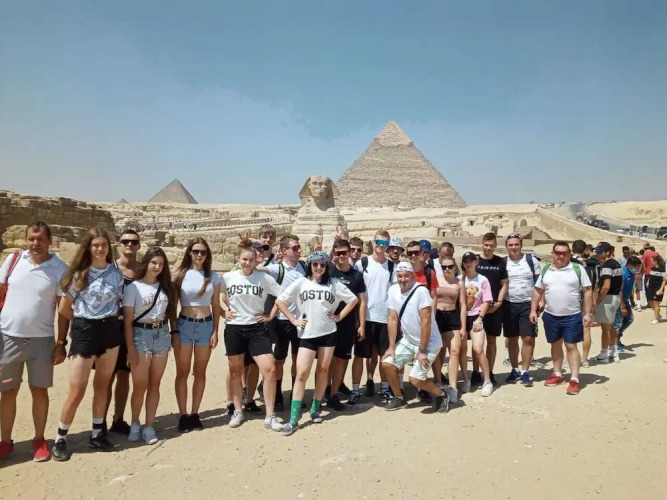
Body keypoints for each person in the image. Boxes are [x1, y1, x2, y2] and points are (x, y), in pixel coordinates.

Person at [51, 228, 125, 461]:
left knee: (102, 385)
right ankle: (60, 438)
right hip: (85, 332)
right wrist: (83, 322)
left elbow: (118, 302)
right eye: (95, 245)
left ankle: (96, 434)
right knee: (77, 390)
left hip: (110, 331)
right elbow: (64, 308)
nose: (100, 249)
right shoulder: (78, 274)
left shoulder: (116, 274)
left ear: (109, 247)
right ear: (88, 247)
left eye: (103, 245)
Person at [0, 222, 69, 462]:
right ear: (26, 239)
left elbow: (63, 311)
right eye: (31, 238)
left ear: (50, 241)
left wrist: (61, 343)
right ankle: (5, 442)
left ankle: (39, 440)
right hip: (8, 336)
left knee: (39, 390)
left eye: (40, 239)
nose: (35, 243)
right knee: (8, 391)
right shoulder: (13, 261)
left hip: (42, 340)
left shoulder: (60, 269)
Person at [275, 252, 358, 436]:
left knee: (323, 370)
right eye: (315, 264)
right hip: (307, 334)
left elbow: (353, 299)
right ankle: (293, 419)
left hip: (328, 333)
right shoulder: (301, 282)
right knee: (301, 373)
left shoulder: (333, 283)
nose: (319, 268)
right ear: (310, 266)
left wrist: (339, 316)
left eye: (322, 264)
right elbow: (280, 301)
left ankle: (315, 408)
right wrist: (293, 319)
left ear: (326, 266)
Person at [222, 240, 286, 431]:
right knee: (235, 371)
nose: (247, 263)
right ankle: (238, 410)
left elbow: (282, 296)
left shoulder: (263, 278)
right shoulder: (228, 277)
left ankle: (270, 415)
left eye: (250, 260)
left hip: (256, 328)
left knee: (269, 369)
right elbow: (220, 296)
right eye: (244, 259)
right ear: (238, 259)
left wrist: (270, 315)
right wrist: (224, 311)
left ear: (256, 260)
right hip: (234, 328)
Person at [123, 247, 176, 445]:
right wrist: (130, 348)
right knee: (139, 384)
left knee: (155, 384)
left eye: (161, 264)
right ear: (146, 263)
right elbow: (127, 321)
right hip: (140, 335)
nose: (157, 267)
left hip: (161, 334)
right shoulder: (133, 288)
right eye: (154, 262)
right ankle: (135, 422)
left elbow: (170, 313)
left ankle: (149, 426)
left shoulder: (166, 287)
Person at [381, 262, 449, 412]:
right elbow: (392, 319)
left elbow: (426, 322)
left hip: (429, 343)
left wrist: (422, 351)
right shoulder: (393, 290)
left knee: (415, 379)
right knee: (387, 363)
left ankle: (441, 394)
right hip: (408, 340)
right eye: (399, 276)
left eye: (406, 276)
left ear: (412, 276)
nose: (402, 279)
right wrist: (391, 347)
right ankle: (398, 398)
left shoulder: (421, 291)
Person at [172, 238, 223, 432]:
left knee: (200, 372)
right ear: (189, 253)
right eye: (196, 251)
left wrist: (215, 331)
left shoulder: (213, 276)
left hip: (205, 326)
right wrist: (174, 330)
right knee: (182, 372)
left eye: (203, 252)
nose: (199, 255)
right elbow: (172, 305)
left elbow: (216, 305)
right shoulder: (180, 274)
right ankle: (183, 414)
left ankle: (194, 413)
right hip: (184, 325)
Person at [530, 242, 593, 395]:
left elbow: (587, 291)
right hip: (551, 315)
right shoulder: (547, 270)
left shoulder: (577, 269)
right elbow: (538, 290)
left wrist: (588, 313)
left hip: (572, 315)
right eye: (557, 253)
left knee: (571, 346)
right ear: (552, 254)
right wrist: (533, 310)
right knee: (555, 345)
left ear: (569, 254)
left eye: (564, 253)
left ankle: (574, 379)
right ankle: (557, 374)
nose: (561, 256)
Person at [261, 235, 306, 411]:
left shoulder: (304, 267)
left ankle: (295, 393)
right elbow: (254, 268)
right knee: (279, 359)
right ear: (284, 250)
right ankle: (278, 394)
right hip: (282, 321)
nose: (298, 250)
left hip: (301, 320)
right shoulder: (276, 269)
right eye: (294, 248)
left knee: (298, 359)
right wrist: (261, 254)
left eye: (299, 247)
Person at [104, 229, 142, 436]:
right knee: (106, 377)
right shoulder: (109, 269)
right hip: (111, 327)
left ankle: (118, 419)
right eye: (125, 241)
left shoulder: (142, 271)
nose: (129, 245)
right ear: (119, 245)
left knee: (124, 375)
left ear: (139, 245)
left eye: (133, 242)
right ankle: (99, 421)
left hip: (134, 328)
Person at [350, 230, 395, 404]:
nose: (381, 246)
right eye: (379, 242)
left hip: (384, 318)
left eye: (385, 244)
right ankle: (355, 390)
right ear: (373, 242)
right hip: (365, 317)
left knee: (384, 356)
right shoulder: (362, 264)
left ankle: (384, 388)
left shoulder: (392, 267)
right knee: (359, 355)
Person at [326, 239, 367, 411]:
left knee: (341, 360)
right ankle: (324, 390)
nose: (341, 256)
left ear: (349, 253)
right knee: (326, 360)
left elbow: (362, 302)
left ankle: (334, 394)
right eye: (338, 253)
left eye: (344, 252)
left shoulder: (356, 275)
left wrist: (362, 325)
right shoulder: (328, 271)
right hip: (328, 322)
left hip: (347, 323)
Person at [503, 234, 541, 387]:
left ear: (521, 245)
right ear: (506, 246)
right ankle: (514, 369)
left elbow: (540, 283)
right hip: (508, 304)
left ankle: (525, 371)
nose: (514, 247)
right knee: (512, 339)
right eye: (510, 245)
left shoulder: (531, 261)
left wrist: (541, 302)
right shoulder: (503, 262)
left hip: (528, 304)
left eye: (516, 244)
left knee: (528, 338)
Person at [405, 240, 439, 399]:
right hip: (408, 321)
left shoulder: (429, 273)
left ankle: (422, 387)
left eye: (416, 253)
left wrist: (432, 317)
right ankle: (400, 388)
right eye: (410, 253)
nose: (413, 256)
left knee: (424, 354)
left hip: (425, 320)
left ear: (422, 254)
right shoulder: (404, 271)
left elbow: (434, 296)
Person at [475, 233, 507, 386]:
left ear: (495, 246)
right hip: (477, 308)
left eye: (491, 245)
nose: (488, 248)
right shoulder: (475, 260)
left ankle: (490, 371)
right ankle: (476, 372)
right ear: (482, 244)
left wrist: (499, 302)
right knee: (477, 342)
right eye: (486, 245)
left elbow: (504, 284)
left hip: (494, 308)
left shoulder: (500, 262)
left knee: (492, 341)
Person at [461, 252, 494, 397]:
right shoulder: (460, 279)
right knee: (461, 350)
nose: (468, 264)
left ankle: (487, 380)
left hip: (476, 316)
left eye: (471, 261)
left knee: (478, 349)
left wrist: (480, 318)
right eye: (466, 261)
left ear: (476, 262)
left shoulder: (483, 280)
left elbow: (486, 301)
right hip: (462, 317)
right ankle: (466, 379)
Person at [434, 256, 467, 402]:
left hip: (452, 315)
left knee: (454, 350)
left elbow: (463, 305)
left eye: (449, 266)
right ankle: (438, 381)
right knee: (436, 351)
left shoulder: (459, 283)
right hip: (437, 315)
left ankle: (453, 386)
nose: (446, 269)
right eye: (443, 267)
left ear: (455, 267)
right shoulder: (437, 279)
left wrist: (463, 327)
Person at [593, 242, 624, 364]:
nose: (597, 253)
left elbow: (606, 286)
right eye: (596, 251)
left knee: (605, 328)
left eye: (600, 251)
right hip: (615, 297)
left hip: (607, 298)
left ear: (607, 252)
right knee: (611, 326)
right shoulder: (616, 263)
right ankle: (614, 352)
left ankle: (604, 354)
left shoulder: (607, 265)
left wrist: (598, 300)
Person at [571, 239, 599, 367]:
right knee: (586, 329)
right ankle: (584, 359)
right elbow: (595, 286)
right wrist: (594, 302)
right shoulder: (592, 265)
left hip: (573, 298)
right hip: (588, 298)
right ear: (585, 250)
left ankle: (572, 357)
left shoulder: (570, 263)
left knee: (570, 328)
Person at [614, 256, 641, 350]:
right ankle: (614, 343)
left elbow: (630, 288)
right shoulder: (622, 274)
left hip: (625, 300)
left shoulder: (631, 273)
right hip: (618, 301)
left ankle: (616, 336)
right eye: (636, 267)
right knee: (618, 322)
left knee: (629, 319)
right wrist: (622, 306)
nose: (637, 269)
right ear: (629, 265)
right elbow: (619, 291)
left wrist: (632, 300)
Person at [645, 254, 666, 324]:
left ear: (655, 261)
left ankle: (655, 318)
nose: (650, 262)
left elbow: (664, 280)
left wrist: (661, 289)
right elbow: (650, 277)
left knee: (656, 303)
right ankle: (658, 315)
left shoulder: (662, 269)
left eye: (651, 261)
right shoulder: (652, 268)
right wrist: (648, 282)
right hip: (651, 287)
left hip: (658, 288)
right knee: (650, 302)